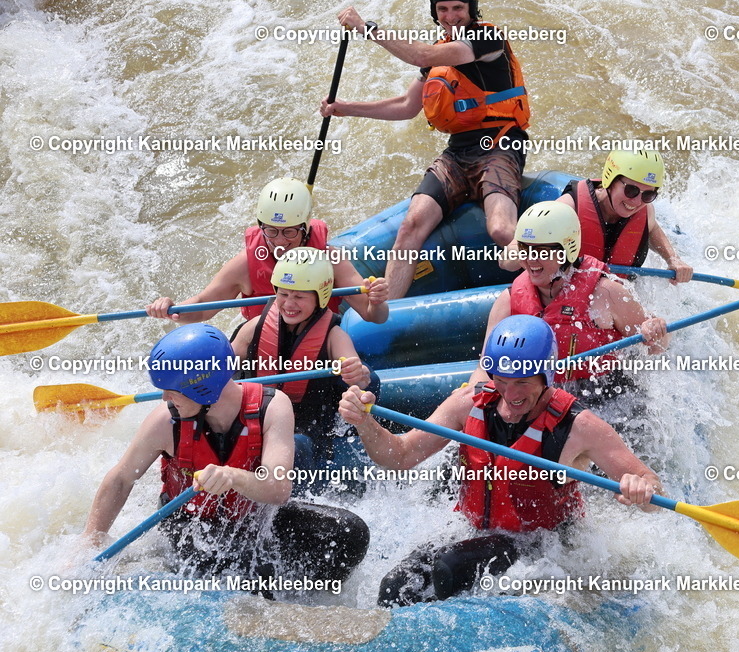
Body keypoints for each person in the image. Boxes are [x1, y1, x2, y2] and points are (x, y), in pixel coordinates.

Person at [338, 315, 663, 606]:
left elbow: (651, 490)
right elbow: (401, 456)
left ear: (546, 375)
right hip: (476, 530)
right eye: (502, 380)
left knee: (451, 566)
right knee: (395, 587)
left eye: (522, 382)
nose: (511, 393)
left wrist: (639, 488)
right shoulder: (467, 404)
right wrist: (366, 424)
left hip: (543, 544)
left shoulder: (580, 426)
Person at [82, 324, 369, 588]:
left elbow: (279, 489)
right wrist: (90, 541)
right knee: (254, 570)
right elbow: (121, 479)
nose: (165, 399)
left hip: (256, 518)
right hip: (191, 526)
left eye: (172, 391)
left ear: (203, 387)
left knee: (349, 532)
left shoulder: (272, 406)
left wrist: (232, 476)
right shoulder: (165, 422)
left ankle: (309, 598)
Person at [321, 1, 531, 299]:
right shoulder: (438, 55)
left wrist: (365, 27)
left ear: (471, 10)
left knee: (500, 229)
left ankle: (561, 279)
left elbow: (420, 54)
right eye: (442, 9)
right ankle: (387, 315)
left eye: (458, 7)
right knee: (410, 226)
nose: (450, 16)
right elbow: (406, 106)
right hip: (457, 154)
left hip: (500, 143)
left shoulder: (486, 38)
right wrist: (345, 108)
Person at [470, 201, 670, 388]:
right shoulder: (509, 300)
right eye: (524, 249)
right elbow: (484, 366)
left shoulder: (606, 294)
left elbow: (658, 348)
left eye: (541, 251)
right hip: (541, 396)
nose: (530, 259)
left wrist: (655, 330)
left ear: (567, 251)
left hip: (606, 393)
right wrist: (471, 391)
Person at [147, 177, 389, 324]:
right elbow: (201, 309)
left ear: (305, 229)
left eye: (289, 232)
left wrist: (377, 302)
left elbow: (373, 316)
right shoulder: (245, 265)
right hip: (265, 347)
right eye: (271, 231)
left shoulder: (330, 258)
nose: (280, 242)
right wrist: (171, 310)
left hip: (319, 345)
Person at [231, 247, 377, 466]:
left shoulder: (334, 336)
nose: (289, 304)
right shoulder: (253, 328)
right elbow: (222, 365)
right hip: (256, 418)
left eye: (299, 296)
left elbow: (360, 378)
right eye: (283, 294)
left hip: (306, 429)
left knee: (295, 445)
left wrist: (359, 374)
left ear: (321, 296)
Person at [557, 150, 693, 284]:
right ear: (610, 181)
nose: (637, 202)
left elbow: (652, 229)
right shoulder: (567, 209)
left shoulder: (646, 211)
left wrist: (672, 258)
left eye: (648, 195)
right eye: (631, 190)